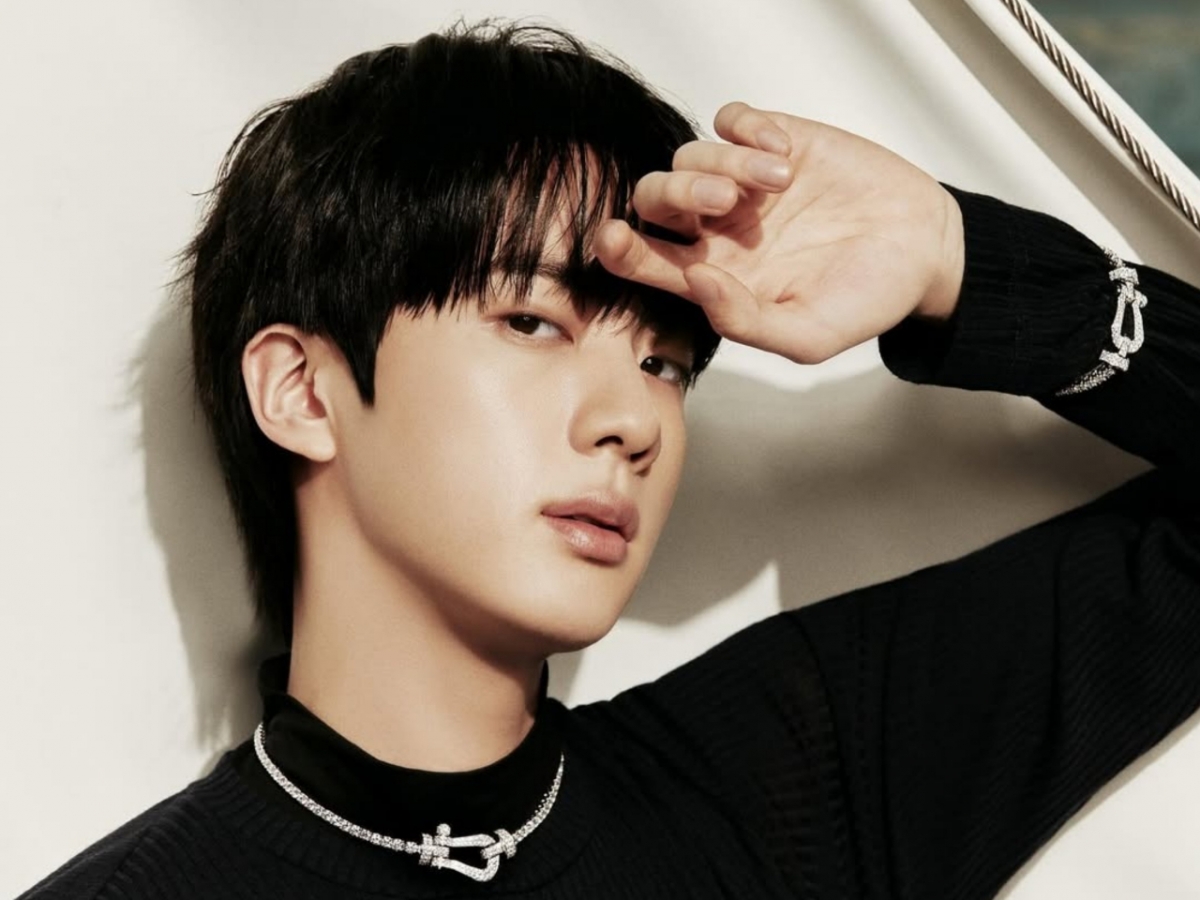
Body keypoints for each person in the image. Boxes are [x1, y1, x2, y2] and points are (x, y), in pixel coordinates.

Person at [18, 19, 1200, 900]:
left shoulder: (792, 785)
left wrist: (958, 260)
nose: (632, 420)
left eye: (665, 364)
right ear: (303, 391)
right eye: (533, 324)